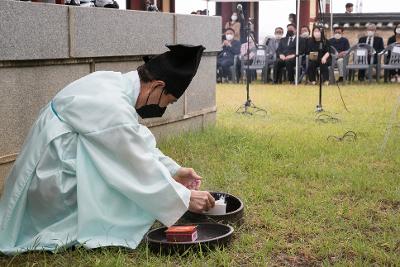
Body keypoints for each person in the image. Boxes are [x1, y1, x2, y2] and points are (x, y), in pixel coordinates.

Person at [0, 44, 216, 254]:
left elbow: (134, 141)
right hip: (52, 186)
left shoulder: (110, 81)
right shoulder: (113, 107)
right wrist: (185, 198)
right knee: (124, 188)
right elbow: (136, 164)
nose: (161, 108)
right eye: (166, 101)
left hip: (48, 167)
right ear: (158, 86)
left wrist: (173, 171)